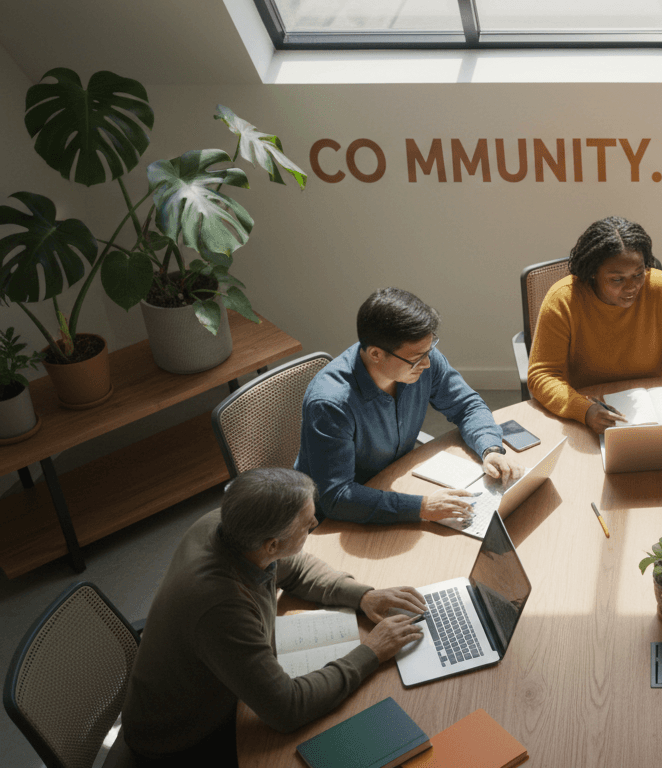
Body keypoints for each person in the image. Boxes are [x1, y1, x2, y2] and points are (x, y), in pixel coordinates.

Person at [122, 468, 428, 767]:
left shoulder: (229, 527)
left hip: (222, 685)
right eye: (307, 525)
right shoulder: (222, 606)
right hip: (183, 743)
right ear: (272, 545)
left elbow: (295, 568)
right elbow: (287, 709)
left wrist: (362, 595)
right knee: (358, 739)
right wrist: (371, 651)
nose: (315, 523)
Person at [296, 287, 522, 525]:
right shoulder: (331, 403)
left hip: (397, 480)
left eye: (429, 350)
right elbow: (337, 496)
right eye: (416, 358)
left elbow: (467, 405)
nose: (427, 363)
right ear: (375, 354)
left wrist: (490, 449)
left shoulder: (422, 359)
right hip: (341, 516)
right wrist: (422, 507)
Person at [527, 216, 662, 432]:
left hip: (651, 410)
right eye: (617, 279)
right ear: (592, 274)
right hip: (588, 410)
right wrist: (584, 410)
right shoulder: (563, 299)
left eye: (638, 274)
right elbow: (542, 375)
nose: (632, 287)